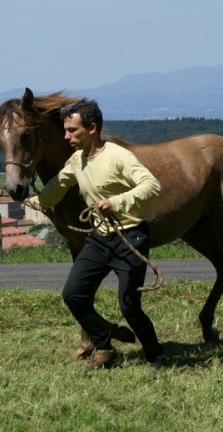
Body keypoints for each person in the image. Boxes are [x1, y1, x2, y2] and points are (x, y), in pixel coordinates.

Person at [29, 99, 165, 370]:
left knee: (129, 306)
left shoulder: (118, 156)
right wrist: (31, 202)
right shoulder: (77, 159)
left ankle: (155, 354)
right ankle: (104, 345)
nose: (66, 136)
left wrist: (115, 203)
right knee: (73, 295)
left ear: (92, 128)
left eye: (72, 130)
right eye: (65, 130)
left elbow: (152, 186)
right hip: (100, 238)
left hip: (130, 237)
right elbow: (57, 186)